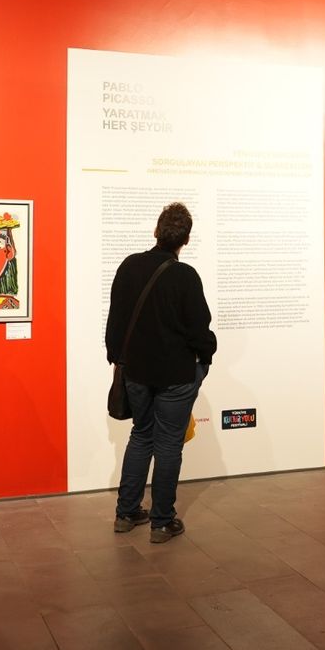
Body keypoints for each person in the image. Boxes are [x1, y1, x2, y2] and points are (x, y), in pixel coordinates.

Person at [106, 202, 216, 543]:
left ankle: (126, 513)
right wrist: (206, 357)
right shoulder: (185, 276)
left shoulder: (129, 266)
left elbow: (115, 319)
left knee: (141, 434)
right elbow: (199, 328)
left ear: (156, 231)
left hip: (136, 371)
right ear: (186, 239)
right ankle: (162, 521)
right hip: (175, 374)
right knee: (168, 444)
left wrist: (116, 358)